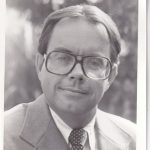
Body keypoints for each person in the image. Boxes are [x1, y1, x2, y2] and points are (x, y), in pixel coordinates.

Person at [4, 5, 136, 150]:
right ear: (40, 65)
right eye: (63, 58)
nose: (77, 73)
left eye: (93, 62)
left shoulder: (135, 140)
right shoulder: (5, 135)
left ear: (110, 76)